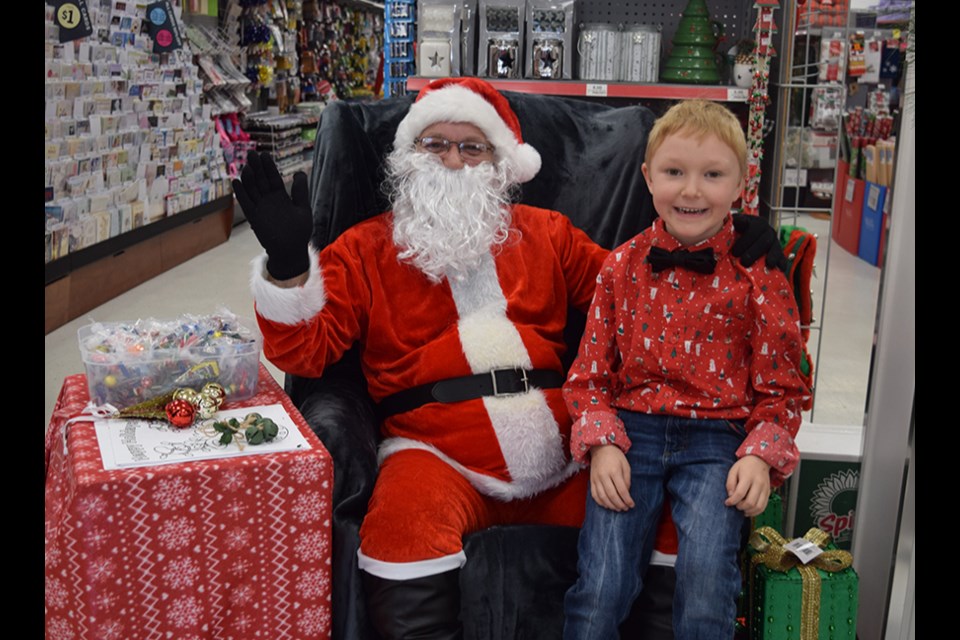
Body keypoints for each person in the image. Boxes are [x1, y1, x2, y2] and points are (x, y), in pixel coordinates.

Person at [233, 78, 785, 640]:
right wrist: (286, 268)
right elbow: (306, 350)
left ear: (501, 163)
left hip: (567, 453)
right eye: (435, 144)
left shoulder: (547, 235)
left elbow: (639, 294)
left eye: (472, 147)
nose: (453, 159)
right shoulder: (367, 247)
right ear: (408, 156)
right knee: (401, 529)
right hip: (434, 451)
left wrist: (723, 241)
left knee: (667, 521)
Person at [561, 99, 812, 639]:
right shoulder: (621, 266)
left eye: (712, 175)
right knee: (600, 583)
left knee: (706, 583)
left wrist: (761, 456)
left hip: (718, 439)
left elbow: (782, 383)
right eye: (674, 172)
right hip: (632, 432)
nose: (692, 191)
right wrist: (603, 442)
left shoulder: (760, 274)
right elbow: (588, 375)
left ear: (741, 185)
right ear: (649, 177)